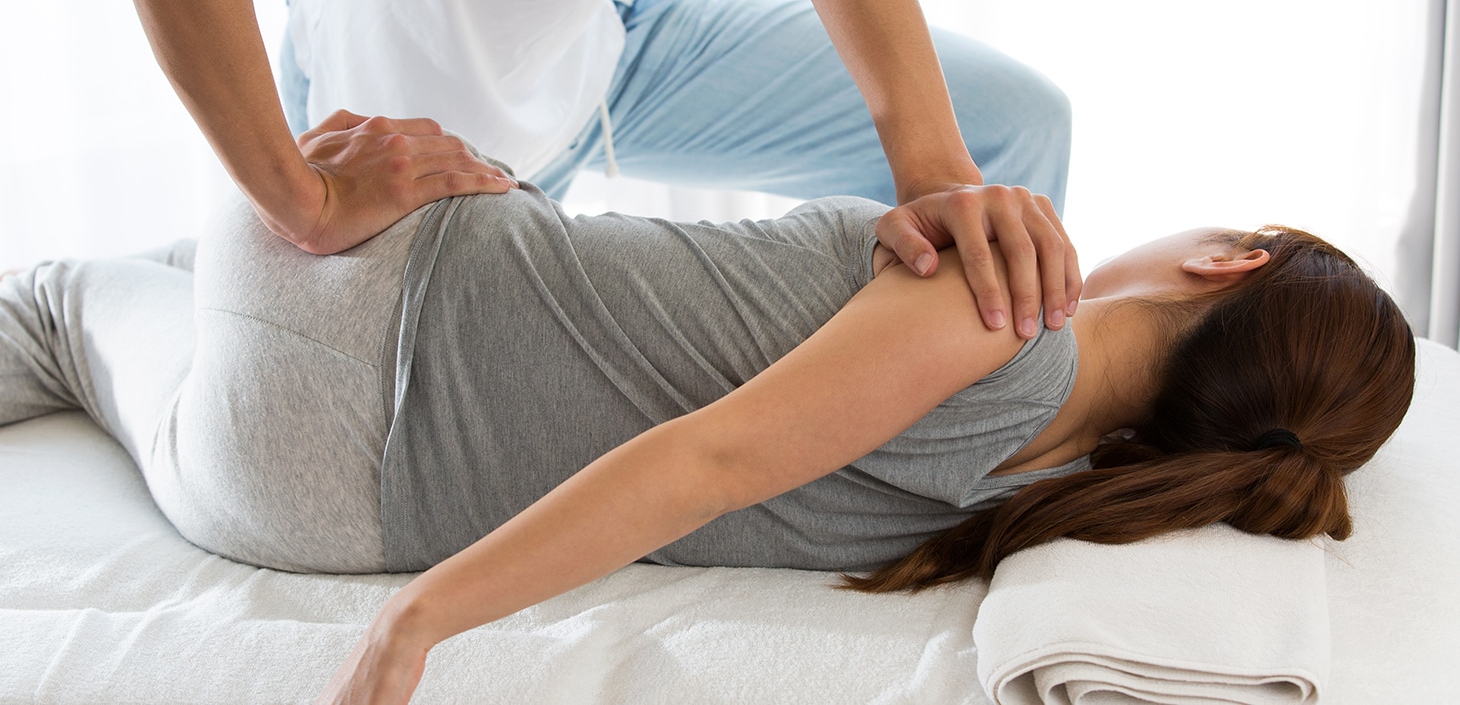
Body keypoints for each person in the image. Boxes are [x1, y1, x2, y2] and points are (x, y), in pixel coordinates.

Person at [0, 151, 1414, 704]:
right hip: (288, 494)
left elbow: (711, 457)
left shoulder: (1007, 322)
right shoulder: (1047, 490)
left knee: (63, 295)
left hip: (357, 315)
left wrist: (413, 624)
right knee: (116, 300)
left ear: (1231, 259)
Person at [126, 0, 1079, 342]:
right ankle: (140, 289)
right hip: (419, 82)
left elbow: (955, 165)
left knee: (1007, 135)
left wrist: (935, 166)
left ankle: (942, 404)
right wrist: (298, 198)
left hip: (616, 36)